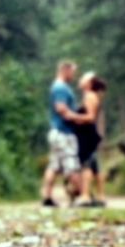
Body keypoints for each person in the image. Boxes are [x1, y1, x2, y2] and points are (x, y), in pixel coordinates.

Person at [61, 71, 107, 207]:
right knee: (95, 165)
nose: (79, 80)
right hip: (89, 133)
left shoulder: (89, 96)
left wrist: (71, 116)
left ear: (88, 83)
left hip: (86, 134)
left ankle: (85, 195)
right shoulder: (91, 96)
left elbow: (90, 117)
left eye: (83, 79)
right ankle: (101, 195)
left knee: (86, 165)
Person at [40, 60, 82, 207]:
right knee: (72, 165)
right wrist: (80, 118)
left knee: (54, 166)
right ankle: (82, 196)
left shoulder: (58, 87)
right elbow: (61, 109)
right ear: (65, 70)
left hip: (56, 132)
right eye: (73, 72)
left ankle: (47, 196)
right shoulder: (60, 88)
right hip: (63, 132)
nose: (74, 76)